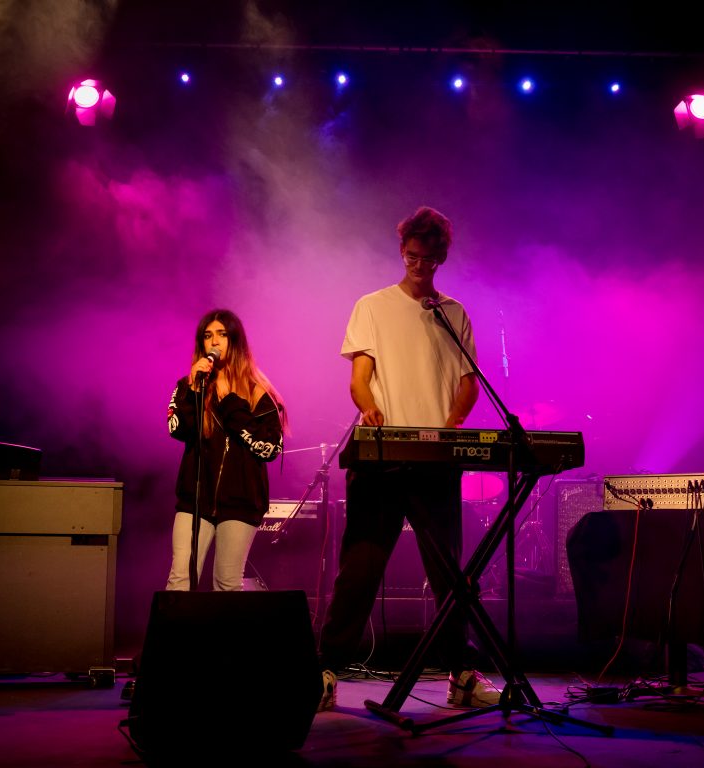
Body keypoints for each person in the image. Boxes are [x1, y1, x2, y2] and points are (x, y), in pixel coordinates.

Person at [316, 206, 498, 711]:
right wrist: (368, 406)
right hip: (382, 461)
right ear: (402, 252)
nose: (419, 266)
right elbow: (359, 376)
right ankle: (324, 672)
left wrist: (451, 426)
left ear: (440, 258)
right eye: (412, 257)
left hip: (435, 461)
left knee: (450, 574)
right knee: (361, 569)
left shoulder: (452, 313)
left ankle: (462, 675)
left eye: (429, 259)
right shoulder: (372, 306)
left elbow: (468, 384)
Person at [165, 308, 286, 591]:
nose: (214, 342)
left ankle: (227, 638)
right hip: (195, 500)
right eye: (208, 336)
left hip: (241, 503)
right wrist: (195, 391)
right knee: (180, 579)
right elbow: (176, 429)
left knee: (227, 584)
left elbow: (269, 448)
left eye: (222, 335)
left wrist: (230, 401)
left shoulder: (258, 392)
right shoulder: (188, 386)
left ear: (235, 341)